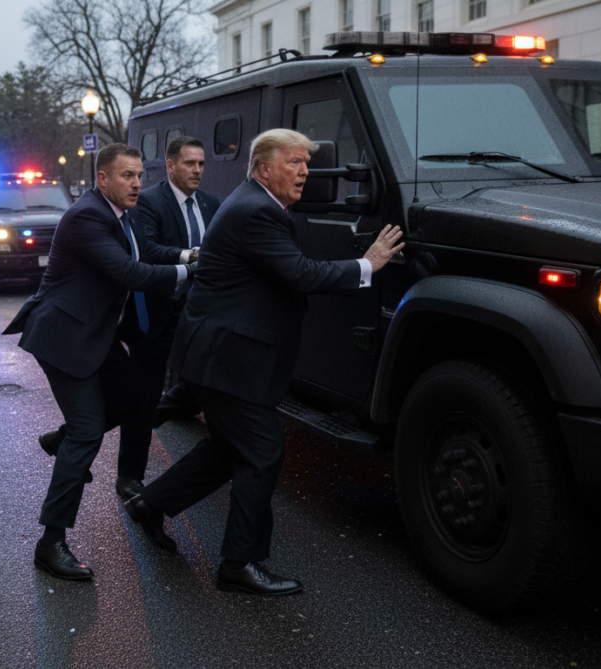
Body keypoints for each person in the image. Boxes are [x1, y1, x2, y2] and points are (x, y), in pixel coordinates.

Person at [124, 129, 404, 596]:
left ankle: (151, 504)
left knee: (228, 449)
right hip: (228, 358)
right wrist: (368, 264)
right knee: (262, 450)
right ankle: (240, 563)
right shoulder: (256, 211)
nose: (305, 172)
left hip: (222, 354)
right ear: (264, 168)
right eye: (295, 163)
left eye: (306, 164)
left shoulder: (254, 203)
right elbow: (298, 272)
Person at [2, 143, 191, 582]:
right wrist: (190, 275)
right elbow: (130, 273)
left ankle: (60, 440)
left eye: (140, 175)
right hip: (65, 336)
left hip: (96, 333)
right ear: (103, 178)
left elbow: (149, 254)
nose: (137, 183)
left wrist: (186, 256)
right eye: (127, 176)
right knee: (88, 432)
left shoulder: (122, 215)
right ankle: (51, 543)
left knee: (134, 401)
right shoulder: (88, 216)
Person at [110, 135, 222, 500]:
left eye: (202, 164)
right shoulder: (149, 201)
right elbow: (149, 250)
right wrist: (191, 256)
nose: (197, 170)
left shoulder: (210, 203)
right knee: (143, 394)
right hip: (158, 314)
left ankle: (217, 464)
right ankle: (129, 474)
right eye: (190, 163)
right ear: (171, 166)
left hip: (202, 313)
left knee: (209, 386)